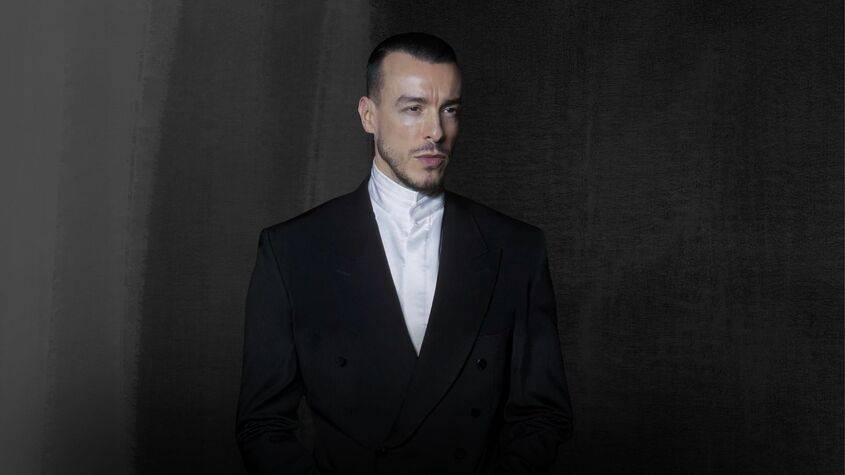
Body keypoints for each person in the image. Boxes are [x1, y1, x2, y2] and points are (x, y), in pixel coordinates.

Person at [235, 32, 573, 474]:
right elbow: (263, 426)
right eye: (414, 108)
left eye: (449, 109)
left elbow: (542, 415)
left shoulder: (517, 248)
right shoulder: (291, 251)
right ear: (368, 116)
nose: (436, 132)